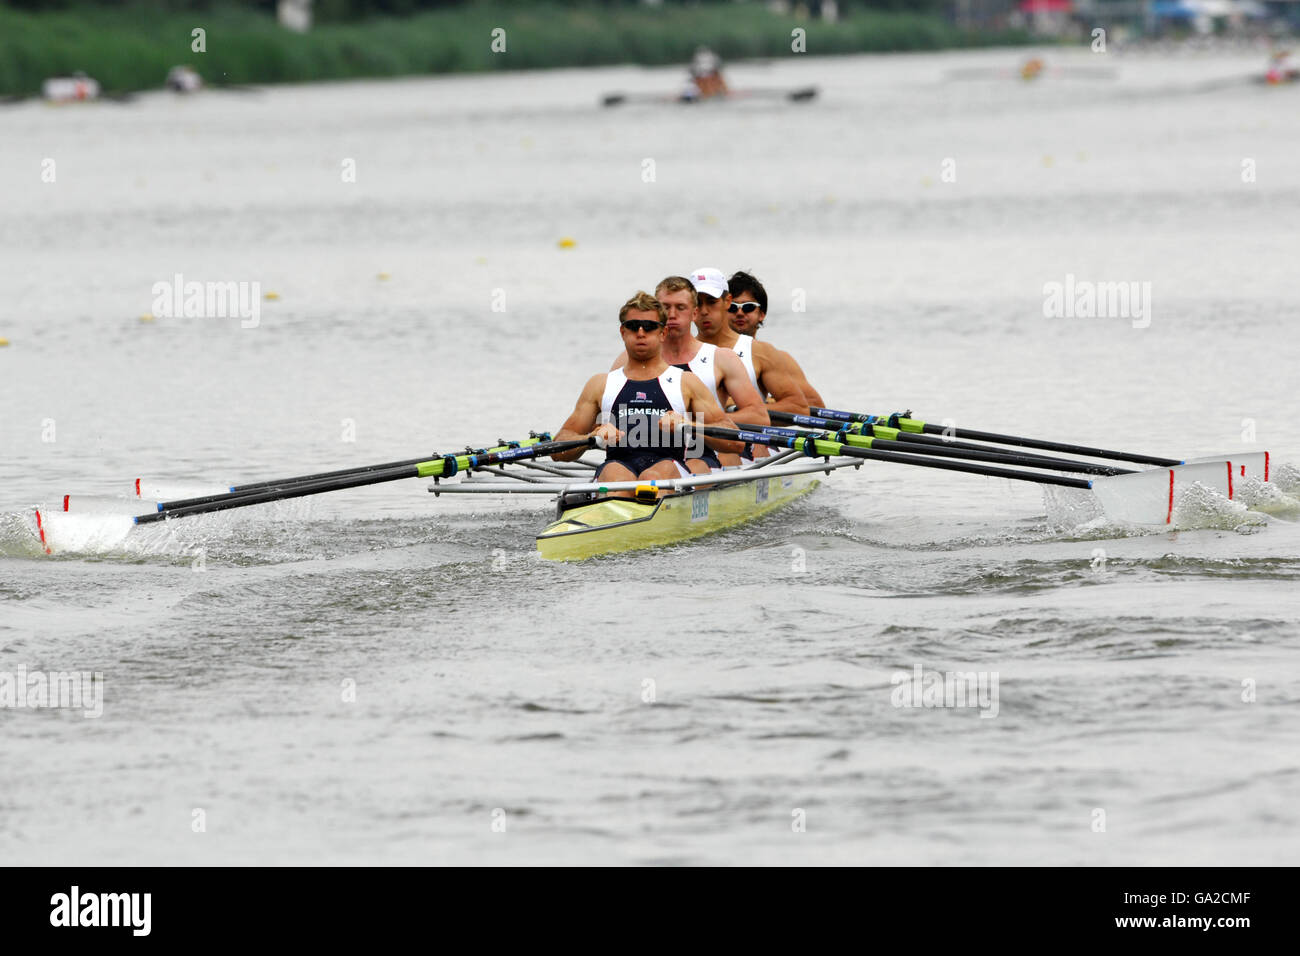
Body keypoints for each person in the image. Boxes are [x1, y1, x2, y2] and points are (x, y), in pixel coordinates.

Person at [553, 291, 742, 496]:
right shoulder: (600, 384)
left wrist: (688, 426)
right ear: (623, 332)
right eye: (633, 327)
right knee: (614, 474)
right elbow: (558, 449)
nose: (641, 333)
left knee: (653, 478)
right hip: (618, 469)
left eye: (649, 327)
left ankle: (635, 513)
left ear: (662, 333)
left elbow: (735, 442)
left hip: (669, 469)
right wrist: (591, 437)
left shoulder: (686, 382)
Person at [611, 276, 768, 471]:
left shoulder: (720, 358)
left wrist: (692, 422)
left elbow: (759, 418)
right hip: (649, 453)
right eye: (665, 307)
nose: (672, 314)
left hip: (708, 451)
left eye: (680, 307)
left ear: (694, 313)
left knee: (704, 461)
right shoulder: (625, 360)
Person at [689, 267, 810, 416]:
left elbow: (799, 408)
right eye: (697, 303)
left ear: (726, 302)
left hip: (741, 437)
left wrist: (745, 409)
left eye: (711, 302)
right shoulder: (672, 354)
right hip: (690, 437)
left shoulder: (761, 352)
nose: (704, 311)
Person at [726, 271, 826, 409]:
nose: (739, 313)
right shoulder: (702, 351)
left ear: (761, 314)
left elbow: (814, 406)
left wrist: (755, 407)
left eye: (748, 307)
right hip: (700, 427)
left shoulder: (777, 358)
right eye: (732, 307)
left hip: (749, 425)